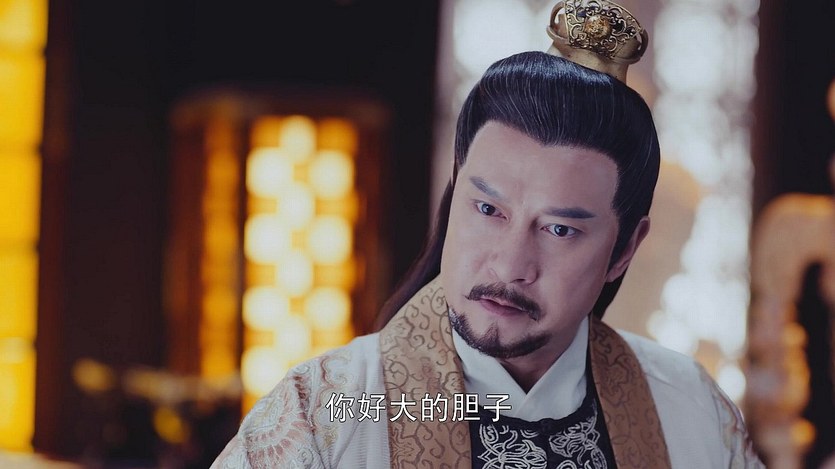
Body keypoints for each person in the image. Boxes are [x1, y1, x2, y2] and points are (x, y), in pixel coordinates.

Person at [213, 2, 763, 467]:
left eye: (560, 229)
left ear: (625, 250)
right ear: (453, 198)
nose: (509, 265)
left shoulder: (688, 411)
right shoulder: (329, 412)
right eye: (487, 209)